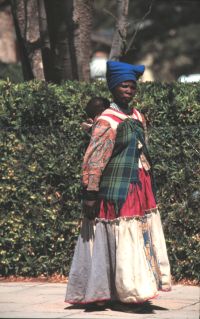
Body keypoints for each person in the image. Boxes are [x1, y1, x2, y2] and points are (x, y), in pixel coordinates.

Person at [65, 60, 171, 308]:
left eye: (132, 86)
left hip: (139, 184)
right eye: (124, 86)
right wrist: (90, 192)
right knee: (117, 235)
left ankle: (134, 289)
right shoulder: (107, 119)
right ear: (113, 88)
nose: (129, 90)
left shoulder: (136, 115)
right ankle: (109, 291)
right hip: (116, 189)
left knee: (137, 234)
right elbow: (94, 157)